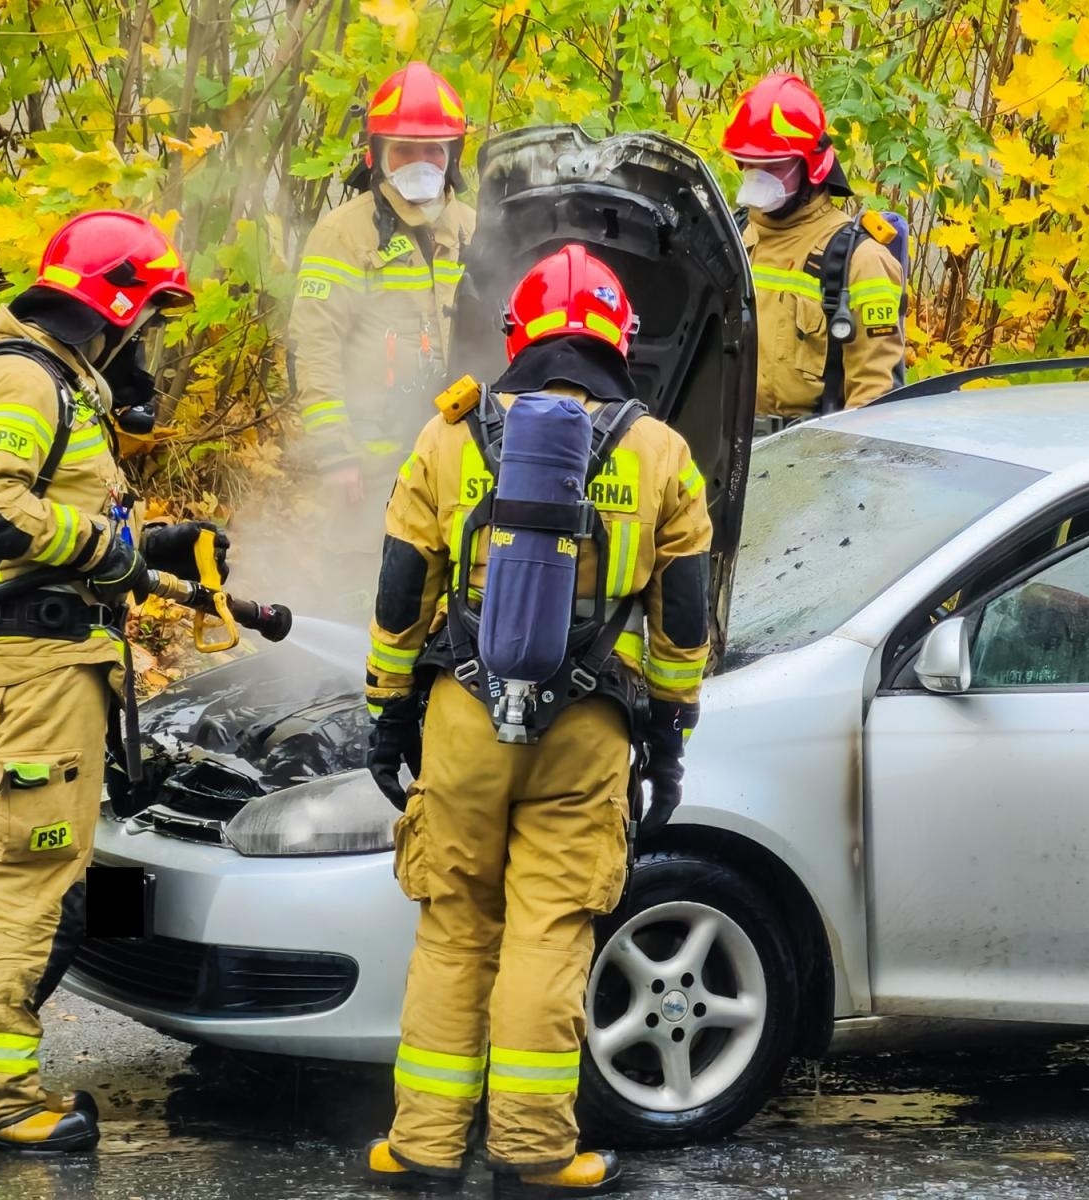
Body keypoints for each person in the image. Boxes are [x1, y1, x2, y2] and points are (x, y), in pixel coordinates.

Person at [361, 245, 713, 1195]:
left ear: (517, 335)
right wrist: (669, 736)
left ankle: (423, 1145)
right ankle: (533, 1150)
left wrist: (387, 711)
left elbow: (401, 590)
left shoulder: (450, 436)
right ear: (621, 340)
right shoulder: (660, 452)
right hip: (587, 730)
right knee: (549, 932)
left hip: (462, 720)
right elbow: (684, 620)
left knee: (454, 928)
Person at [0, 210, 226, 1151]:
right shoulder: (23, 376)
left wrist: (152, 548)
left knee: (23, 870)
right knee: (25, 876)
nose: (150, 342)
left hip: (53, 662)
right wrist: (107, 549)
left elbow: (52, 515)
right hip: (36, 666)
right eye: (151, 318)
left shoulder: (57, 383)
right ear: (115, 306)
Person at [287, 61, 478, 609]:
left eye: (433, 151)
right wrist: (336, 454)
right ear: (376, 154)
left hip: (458, 456)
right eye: (404, 150)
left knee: (448, 594)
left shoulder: (472, 227)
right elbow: (314, 349)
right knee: (362, 596)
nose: (420, 164)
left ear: (453, 155)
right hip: (369, 463)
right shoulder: (342, 235)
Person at [723, 72, 905, 418]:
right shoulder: (732, 239)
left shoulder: (860, 261)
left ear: (813, 165)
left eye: (772, 165)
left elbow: (873, 400)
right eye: (748, 162)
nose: (757, 176)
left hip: (809, 447)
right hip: (728, 445)